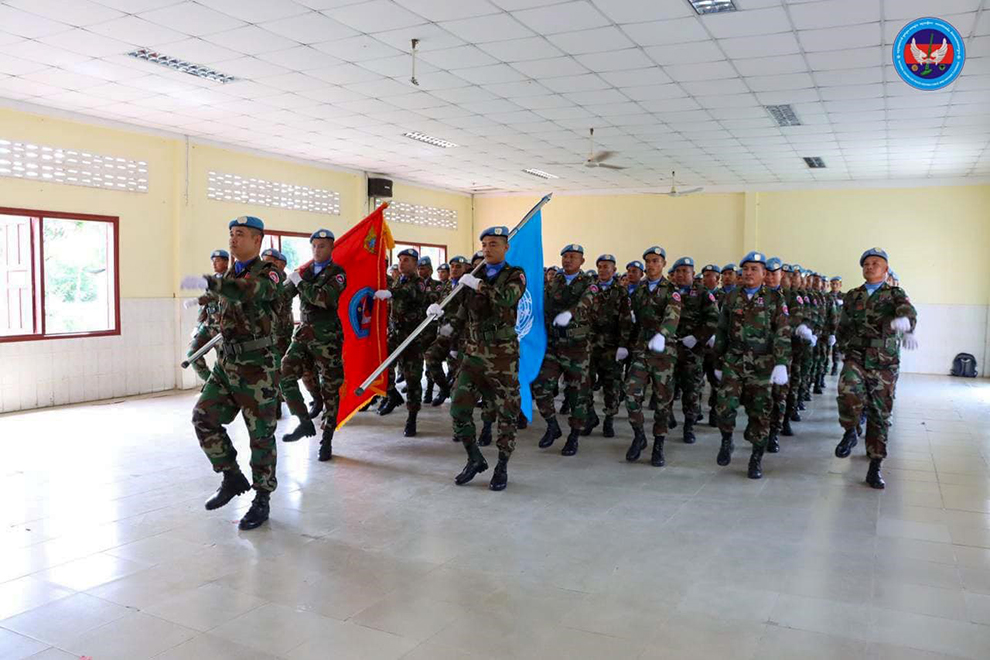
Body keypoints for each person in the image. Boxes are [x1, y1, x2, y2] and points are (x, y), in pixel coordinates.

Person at [182, 216, 280, 530]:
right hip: (227, 364)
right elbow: (223, 297)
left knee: (260, 436)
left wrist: (213, 282)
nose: (233, 240)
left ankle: (262, 497)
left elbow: (246, 292)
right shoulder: (231, 273)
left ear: (257, 240)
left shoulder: (269, 274)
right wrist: (200, 296)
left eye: (239, 234)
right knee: (203, 416)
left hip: (256, 367)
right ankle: (231, 476)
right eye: (230, 234)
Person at [449, 226, 526, 491]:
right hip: (473, 355)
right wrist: (442, 315)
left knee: (506, 414)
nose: (487, 249)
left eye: (494, 244)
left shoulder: (515, 275)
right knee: (458, 407)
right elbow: (462, 309)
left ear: (505, 248)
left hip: (503, 356)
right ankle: (474, 458)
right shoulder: (474, 273)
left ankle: (502, 465)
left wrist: (479, 285)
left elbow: (506, 299)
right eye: (484, 244)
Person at [834, 248, 918, 489]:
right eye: (866, 263)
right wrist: (839, 347)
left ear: (885, 269)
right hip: (856, 355)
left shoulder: (894, 293)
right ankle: (851, 429)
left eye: (876, 263)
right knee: (847, 391)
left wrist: (907, 324)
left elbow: (908, 310)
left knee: (880, 414)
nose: (870, 267)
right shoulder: (853, 295)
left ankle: (875, 465)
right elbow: (844, 323)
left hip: (884, 361)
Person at [712, 251, 791, 479]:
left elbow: (782, 333)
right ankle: (727, 440)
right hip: (734, 360)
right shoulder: (731, 297)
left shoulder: (775, 299)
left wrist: (781, 363)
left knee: (760, 412)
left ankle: (756, 457)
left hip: (762, 363)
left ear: (764, 273)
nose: (748, 273)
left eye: (754, 269)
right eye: (745, 269)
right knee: (725, 406)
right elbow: (721, 330)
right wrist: (718, 361)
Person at [278, 229, 347, 461]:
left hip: (327, 338)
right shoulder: (304, 271)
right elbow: (282, 297)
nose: (317, 250)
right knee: (284, 374)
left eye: (322, 246)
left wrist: (300, 283)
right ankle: (304, 422)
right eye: (314, 246)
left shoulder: (337, 273)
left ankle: (326, 439)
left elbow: (324, 299)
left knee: (330, 390)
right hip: (303, 335)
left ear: (331, 248)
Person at [533, 244, 597, 456]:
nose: (568, 260)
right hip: (554, 344)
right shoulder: (555, 281)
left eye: (573, 257)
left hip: (577, 347)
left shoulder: (589, 282)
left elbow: (587, 301)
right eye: (565, 257)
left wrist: (570, 313)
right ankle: (553, 426)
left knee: (577, 394)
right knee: (541, 386)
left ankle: (574, 436)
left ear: (582, 261)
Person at [624, 246, 682, 467]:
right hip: (642, 349)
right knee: (630, 392)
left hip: (664, 353)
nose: (650, 265)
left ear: (664, 264)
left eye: (656, 261)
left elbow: (672, 316)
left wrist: (662, 334)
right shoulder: (638, 291)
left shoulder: (672, 290)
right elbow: (636, 320)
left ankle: (659, 443)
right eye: (648, 261)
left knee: (662, 401)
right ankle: (639, 435)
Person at [375, 248, 428, 437]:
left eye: (407, 260)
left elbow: (408, 293)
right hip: (395, 335)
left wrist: (390, 293)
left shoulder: (418, 283)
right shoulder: (398, 280)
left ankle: (412, 417)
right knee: (381, 366)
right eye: (400, 260)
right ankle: (392, 394)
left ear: (415, 264)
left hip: (412, 338)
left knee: (412, 378)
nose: (402, 263)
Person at [669, 257, 718, 444]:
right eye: (678, 271)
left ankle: (689, 425)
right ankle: (667, 417)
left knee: (691, 389)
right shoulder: (667, 292)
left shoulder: (703, 293)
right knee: (666, 386)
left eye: (685, 271)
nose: (681, 275)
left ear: (692, 273)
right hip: (670, 347)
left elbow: (714, 319)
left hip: (692, 349)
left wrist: (697, 337)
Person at [582, 254, 633, 438]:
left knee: (611, 385)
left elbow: (625, 321)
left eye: (607, 267)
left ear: (614, 269)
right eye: (601, 266)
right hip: (590, 344)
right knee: (584, 382)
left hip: (611, 346)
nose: (603, 270)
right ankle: (590, 416)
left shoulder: (620, 292)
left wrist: (623, 345)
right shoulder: (590, 289)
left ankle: (609, 419)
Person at [425, 256, 468, 406]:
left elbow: (467, 310)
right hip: (445, 332)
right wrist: (435, 308)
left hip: (463, 335)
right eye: (452, 267)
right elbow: (440, 301)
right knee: (431, 357)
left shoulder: (468, 285)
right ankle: (444, 389)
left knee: (459, 370)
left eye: (458, 267)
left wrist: (454, 327)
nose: (454, 269)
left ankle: (460, 403)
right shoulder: (448, 285)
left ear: (465, 269)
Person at [184, 249, 228, 383]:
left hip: (223, 328)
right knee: (193, 354)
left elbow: (216, 295)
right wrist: (198, 326)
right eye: (213, 262)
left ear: (226, 262)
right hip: (208, 326)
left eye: (218, 261)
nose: (214, 264)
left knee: (225, 362)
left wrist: (198, 300)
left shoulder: (231, 278)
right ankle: (212, 383)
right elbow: (206, 307)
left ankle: (227, 391)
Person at [417, 256, 443, 404]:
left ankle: (430, 387)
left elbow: (436, 298)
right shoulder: (414, 284)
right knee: (417, 359)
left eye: (424, 268)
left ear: (430, 270)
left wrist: (422, 294)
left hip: (430, 328)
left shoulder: (437, 285)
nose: (421, 271)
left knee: (430, 358)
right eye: (419, 268)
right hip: (416, 327)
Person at [700, 263, 722, 426]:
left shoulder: (726, 296)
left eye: (711, 275)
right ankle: (695, 411)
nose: (707, 278)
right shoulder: (698, 295)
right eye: (705, 276)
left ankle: (714, 411)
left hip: (716, 347)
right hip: (699, 345)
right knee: (695, 380)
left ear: (717, 278)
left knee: (716, 381)